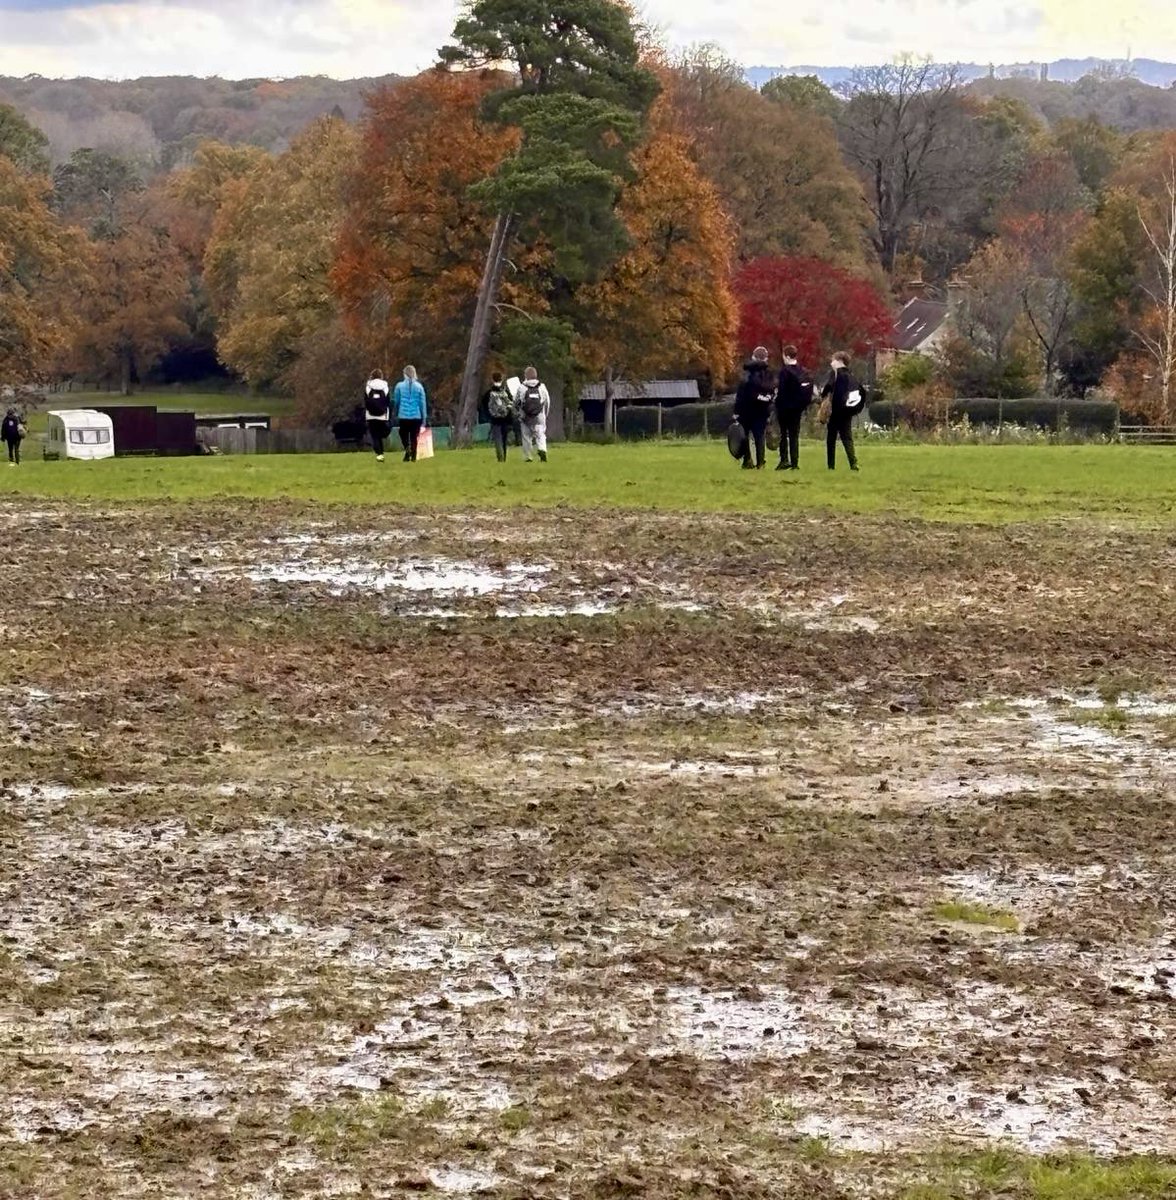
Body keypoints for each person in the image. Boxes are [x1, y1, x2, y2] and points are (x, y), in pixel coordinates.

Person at [734, 347, 774, 470]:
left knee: (744, 436)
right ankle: (761, 462)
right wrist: (767, 400)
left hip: (746, 410)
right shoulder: (768, 374)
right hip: (761, 410)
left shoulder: (746, 373)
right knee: (759, 437)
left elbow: (740, 394)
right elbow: (772, 390)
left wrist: (736, 411)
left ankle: (747, 460)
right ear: (766, 357)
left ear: (753, 356)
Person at [821, 351, 862, 472]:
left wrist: (824, 396)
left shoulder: (837, 375)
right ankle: (853, 462)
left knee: (831, 438)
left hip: (836, 410)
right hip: (846, 410)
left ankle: (831, 465)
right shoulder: (850, 375)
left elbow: (828, 388)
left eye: (833, 360)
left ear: (839, 361)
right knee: (847, 437)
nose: (831, 362)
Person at [775, 346, 814, 471]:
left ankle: (784, 460)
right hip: (798, 408)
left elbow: (781, 391)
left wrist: (777, 404)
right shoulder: (803, 371)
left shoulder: (784, 372)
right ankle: (795, 462)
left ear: (786, 356)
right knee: (794, 436)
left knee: (783, 434)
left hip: (785, 408)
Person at [514, 367, 551, 463]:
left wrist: (518, 412)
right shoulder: (542, 387)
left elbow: (516, 401)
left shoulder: (522, 387)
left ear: (526, 376)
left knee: (526, 436)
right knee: (540, 434)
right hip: (539, 416)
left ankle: (528, 456)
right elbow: (547, 402)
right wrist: (545, 414)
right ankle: (542, 449)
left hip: (525, 416)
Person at [393, 366, 428, 462]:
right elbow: (422, 403)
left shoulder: (399, 386)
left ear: (404, 374)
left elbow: (397, 401)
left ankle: (407, 448)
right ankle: (413, 455)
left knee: (403, 433)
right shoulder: (419, 387)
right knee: (414, 436)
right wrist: (424, 418)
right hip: (416, 416)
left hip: (403, 415)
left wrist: (395, 412)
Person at [482, 372, 515, 462]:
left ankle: (500, 457)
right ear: (501, 379)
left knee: (497, 439)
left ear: (492, 380)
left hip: (495, 419)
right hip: (505, 419)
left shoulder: (488, 393)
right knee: (504, 439)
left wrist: (489, 416)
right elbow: (511, 404)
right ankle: (504, 457)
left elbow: (484, 406)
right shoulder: (505, 392)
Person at [363, 370, 391, 461]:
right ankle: (381, 453)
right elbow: (388, 401)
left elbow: (366, 401)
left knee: (375, 435)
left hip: (371, 416)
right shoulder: (385, 387)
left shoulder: (368, 387)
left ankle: (379, 454)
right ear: (381, 376)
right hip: (382, 415)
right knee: (380, 435)